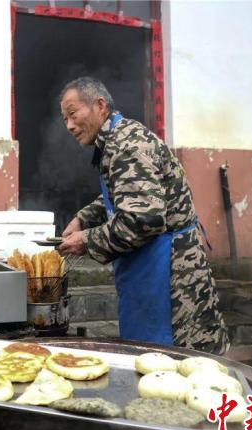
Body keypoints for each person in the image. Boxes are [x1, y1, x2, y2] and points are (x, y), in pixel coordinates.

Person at [57, 77, 229, 355]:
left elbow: (142, 220)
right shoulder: (115, 140)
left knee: (176, 365)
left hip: (171, 277)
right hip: (148, 269)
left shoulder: (127, 145)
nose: (69, 125)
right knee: (150, 361)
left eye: (73, 114)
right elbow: (126, 191)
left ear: (100, 105)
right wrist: (84, 217)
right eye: (65, 118)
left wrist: (86, 241)